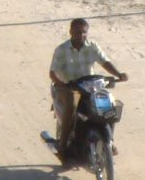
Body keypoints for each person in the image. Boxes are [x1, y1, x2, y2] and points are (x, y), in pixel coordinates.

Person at [49, 18, 127, 151]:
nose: (81, 35)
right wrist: (63, 84)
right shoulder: (62, 50)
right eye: (78, 32)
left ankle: (109, 141)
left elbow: (104, 62)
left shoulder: (92, 46)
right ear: (70, 32)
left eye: (84, 32)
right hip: (69, 87)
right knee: (70, 108)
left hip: (89, 86)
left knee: (108, 108)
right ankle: (62, 145)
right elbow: (53, 73)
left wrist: (118, 74)